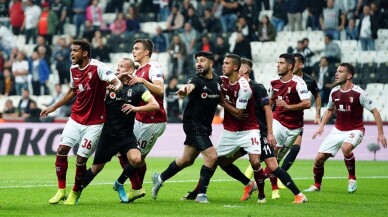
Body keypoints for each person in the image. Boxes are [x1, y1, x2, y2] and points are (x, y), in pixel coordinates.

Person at [183, 58, 308, 204]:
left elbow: (267, 109)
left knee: (269, 165)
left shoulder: (255, 87)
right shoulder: (224, 83)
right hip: (236, 133)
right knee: (220, 161)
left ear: (244, 69)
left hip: (256, 132)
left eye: (235, 66)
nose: (226, 67)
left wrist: (269, 133)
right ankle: (243, 186)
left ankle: (296, 195)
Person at [40, 40, 123, 205]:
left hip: (94, 123)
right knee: (62, 150)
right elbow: (72, 91)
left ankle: (75, 192)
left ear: (84, 53)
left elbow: (116, 82)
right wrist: (53, 107)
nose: (72, 53)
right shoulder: (73, 69)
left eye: (75, 50)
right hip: (76, 118)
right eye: (71, 50)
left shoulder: (98, 67)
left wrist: (117, 87)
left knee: (80, 159)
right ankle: (61, 190)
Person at [79, 57, 159, 203]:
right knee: (96, 168)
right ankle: (76, 192)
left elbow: (155, 105)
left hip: (126, 135)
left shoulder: (138, 87)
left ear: (130, 70)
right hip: (108, 135)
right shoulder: (109, 84)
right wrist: (114, 81)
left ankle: (119, 182)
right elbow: (92, 96)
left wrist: (136, 108)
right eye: (117, 66)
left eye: (121, 66)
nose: (117, 68)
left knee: (136, 159)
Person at [304, 63, 387, 193]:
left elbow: (375, 112)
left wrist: (381, 133)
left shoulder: (359, 93)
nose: (336, 74)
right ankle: (316, 185)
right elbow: (330, 110)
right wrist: (321, 126)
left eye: (340, 71)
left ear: (349, 75)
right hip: (337, 130)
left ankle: (352, 179)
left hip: (355, 129)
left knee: (346, 147)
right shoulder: (334, 92)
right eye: (337, 71)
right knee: (318, 159)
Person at [151, 51, 221, 203]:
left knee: (186, 160)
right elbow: (190, 86)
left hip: (204, 127)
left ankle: (160, 178)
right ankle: (201, 195)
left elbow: (220, 100)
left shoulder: (218, 81)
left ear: (211, 63)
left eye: (202, 60)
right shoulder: (196, 79)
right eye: (197, 61)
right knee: (212, 156)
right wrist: (184, 90)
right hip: (193, 125)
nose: (199, 63)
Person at [116, 39, 167, 202]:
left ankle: (134, 187)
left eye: (137, 48)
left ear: (146, 52)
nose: (133, 51)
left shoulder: (154, 67)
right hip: (139, 119)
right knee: (123, 152)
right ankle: (137, 187)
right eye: (133, 48)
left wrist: (143, 81)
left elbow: (160, 90)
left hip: (153, 121)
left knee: (137, 158)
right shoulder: (137, 72)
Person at [265, 53, 322, 191]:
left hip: (295, 125)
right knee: (274, 151)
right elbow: (270, 101)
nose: (277, 65)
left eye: (281, 63)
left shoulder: (302, 82)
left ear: (291, 66)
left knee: (278, 156)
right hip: (278, 120)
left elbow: (309, 102)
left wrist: (317, 114)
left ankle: (266, 176)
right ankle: (261, 182)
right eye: (277, 62)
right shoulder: (274, 82)